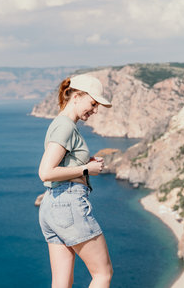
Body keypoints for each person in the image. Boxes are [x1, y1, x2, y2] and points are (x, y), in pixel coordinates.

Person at [38, 74, 113, 288]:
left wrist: (83, 163)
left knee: (61, 282)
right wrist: (86, 168)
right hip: (68, 204)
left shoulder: (60, 123)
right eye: (93, 103)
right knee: (103, 274)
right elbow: (45, 172)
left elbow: (62, 165)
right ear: (77, 96)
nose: (95, 110)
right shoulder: (66, 127)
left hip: (51, 206)